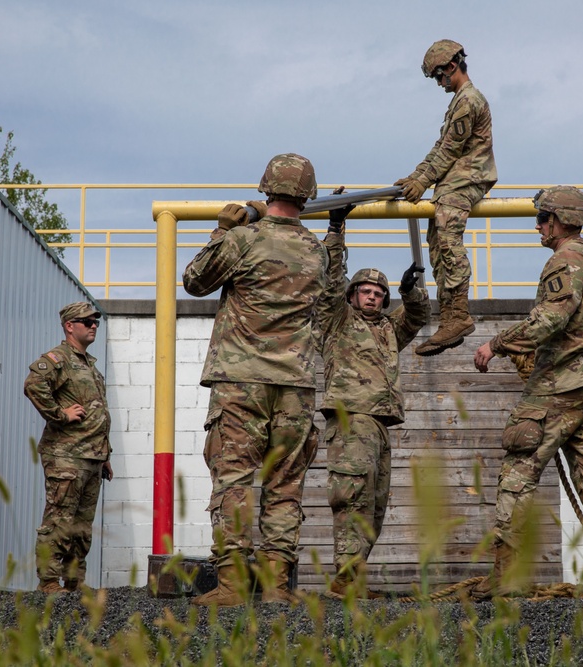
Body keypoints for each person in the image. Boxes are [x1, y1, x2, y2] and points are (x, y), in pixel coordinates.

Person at [472, 186, 583, 602]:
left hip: (561, 383)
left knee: (518, 470)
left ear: (561, 220)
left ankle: (507, 576)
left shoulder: (565, 260)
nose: (538, 226)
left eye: (544, 218)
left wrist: (498, 344)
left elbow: (550, 319)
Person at [182, 153, 328, 607]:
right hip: (296, 385)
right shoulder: (315, 250)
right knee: (285, 486)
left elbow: (194, 280)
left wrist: (223, 229)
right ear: (308, 195)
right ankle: (277, 588)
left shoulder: (242, 240)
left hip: (242, 380)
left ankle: (230, 587)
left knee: (234, 481)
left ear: (266, 188)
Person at [316, 198, 430, 597]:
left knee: (375, 504)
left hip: (380, 422)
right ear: (352, 296)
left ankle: (353, 578)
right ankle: (346, 579)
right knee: (352, 498)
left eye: (380, 294)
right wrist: (336, 231)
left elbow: (416, 319)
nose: (373, 297)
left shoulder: (386, 329)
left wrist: (409, 291)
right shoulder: (337, 321)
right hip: (350, 418)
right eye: (365, 291)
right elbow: (329, 283)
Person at [395, 39, 497, 357]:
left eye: (439, 77)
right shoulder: (457, 102)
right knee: (437, 238)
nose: (440, 84)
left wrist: (423, 181)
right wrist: (416, 177)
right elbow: (440, 147)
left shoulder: (468, 100)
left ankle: (459, 315)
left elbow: (451, 150)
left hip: (469, 177)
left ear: (451, 67)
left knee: (447, 229)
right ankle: (450, 317)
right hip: (453, 180)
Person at [24, 301, 113, 595]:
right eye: (86, 321)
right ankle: (48, 581)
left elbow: (99, 412)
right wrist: (61, 415)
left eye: (95, 321)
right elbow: (34, 384)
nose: (93, 326)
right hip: (67, 456)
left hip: (92, 457)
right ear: (69, 326)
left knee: (82, 527)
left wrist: (106, 455)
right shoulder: (58, 358)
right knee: (60, 519)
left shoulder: (90, 365)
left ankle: (74, 581)